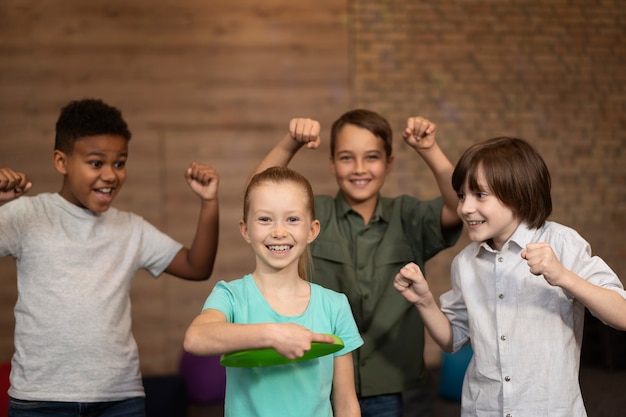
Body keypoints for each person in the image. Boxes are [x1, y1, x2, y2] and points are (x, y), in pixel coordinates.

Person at [0, 98, 220, 417]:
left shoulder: (130, 228)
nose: (111, 175)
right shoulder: (26, 215)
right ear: (61, 162)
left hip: (120, 399)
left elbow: (196, 267)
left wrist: (209, 203)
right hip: (41, 398)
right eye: (96, 163)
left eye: (119, 163)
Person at [249, 110, 462, 417]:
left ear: (389, 163)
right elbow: (257, 195)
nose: (359, 169)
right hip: (318, 381)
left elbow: (461, 206)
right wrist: (290, 143)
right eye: (347, 158)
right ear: (332, 163)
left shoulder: (409, 216)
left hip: (394, 387)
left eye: (372, 157)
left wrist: (429, 149)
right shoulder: (313, 214)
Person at [394, 136, 626, 417]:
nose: (465, 208)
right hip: (483, 410)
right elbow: (452, 339)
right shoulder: (465, 263)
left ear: (517, 194)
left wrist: (563, 276)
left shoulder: (562, 243)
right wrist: (424, 301)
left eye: (479, 195)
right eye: (462, 195)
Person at [184, 166, 363, 417]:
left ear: (311, 230)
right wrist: (273, 335)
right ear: (245, 230)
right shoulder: (230, 296)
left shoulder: (335, 305)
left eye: (292, 219)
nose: (279, 232)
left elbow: (346, 403)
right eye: (265, 219)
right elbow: (195, 338)